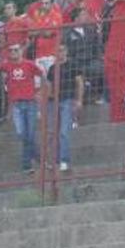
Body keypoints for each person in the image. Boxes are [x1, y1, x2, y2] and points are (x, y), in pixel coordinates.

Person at [0, 44, 42, 173]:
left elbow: (43, 75)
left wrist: (39, 91)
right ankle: (37, 155)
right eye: (11, 50)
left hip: (30, 103)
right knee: (21, 133)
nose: (13, 52)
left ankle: (27, 165)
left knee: (30, 134)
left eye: (16, 50)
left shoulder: (29, 64)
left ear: (21, 51)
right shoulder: (7, 65)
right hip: (16, 105)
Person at [42, 44, 84, 172]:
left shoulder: (73, 65)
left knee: (64, 131)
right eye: (58, 50)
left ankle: (64, 160)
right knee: (52, 132)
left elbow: (79, 83)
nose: (60, 52)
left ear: (66, 51)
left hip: (67, 100)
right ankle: (55, 159)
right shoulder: (52, 68)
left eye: (62, 50)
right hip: (53, 102)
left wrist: (79, 100)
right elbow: (48, 86)